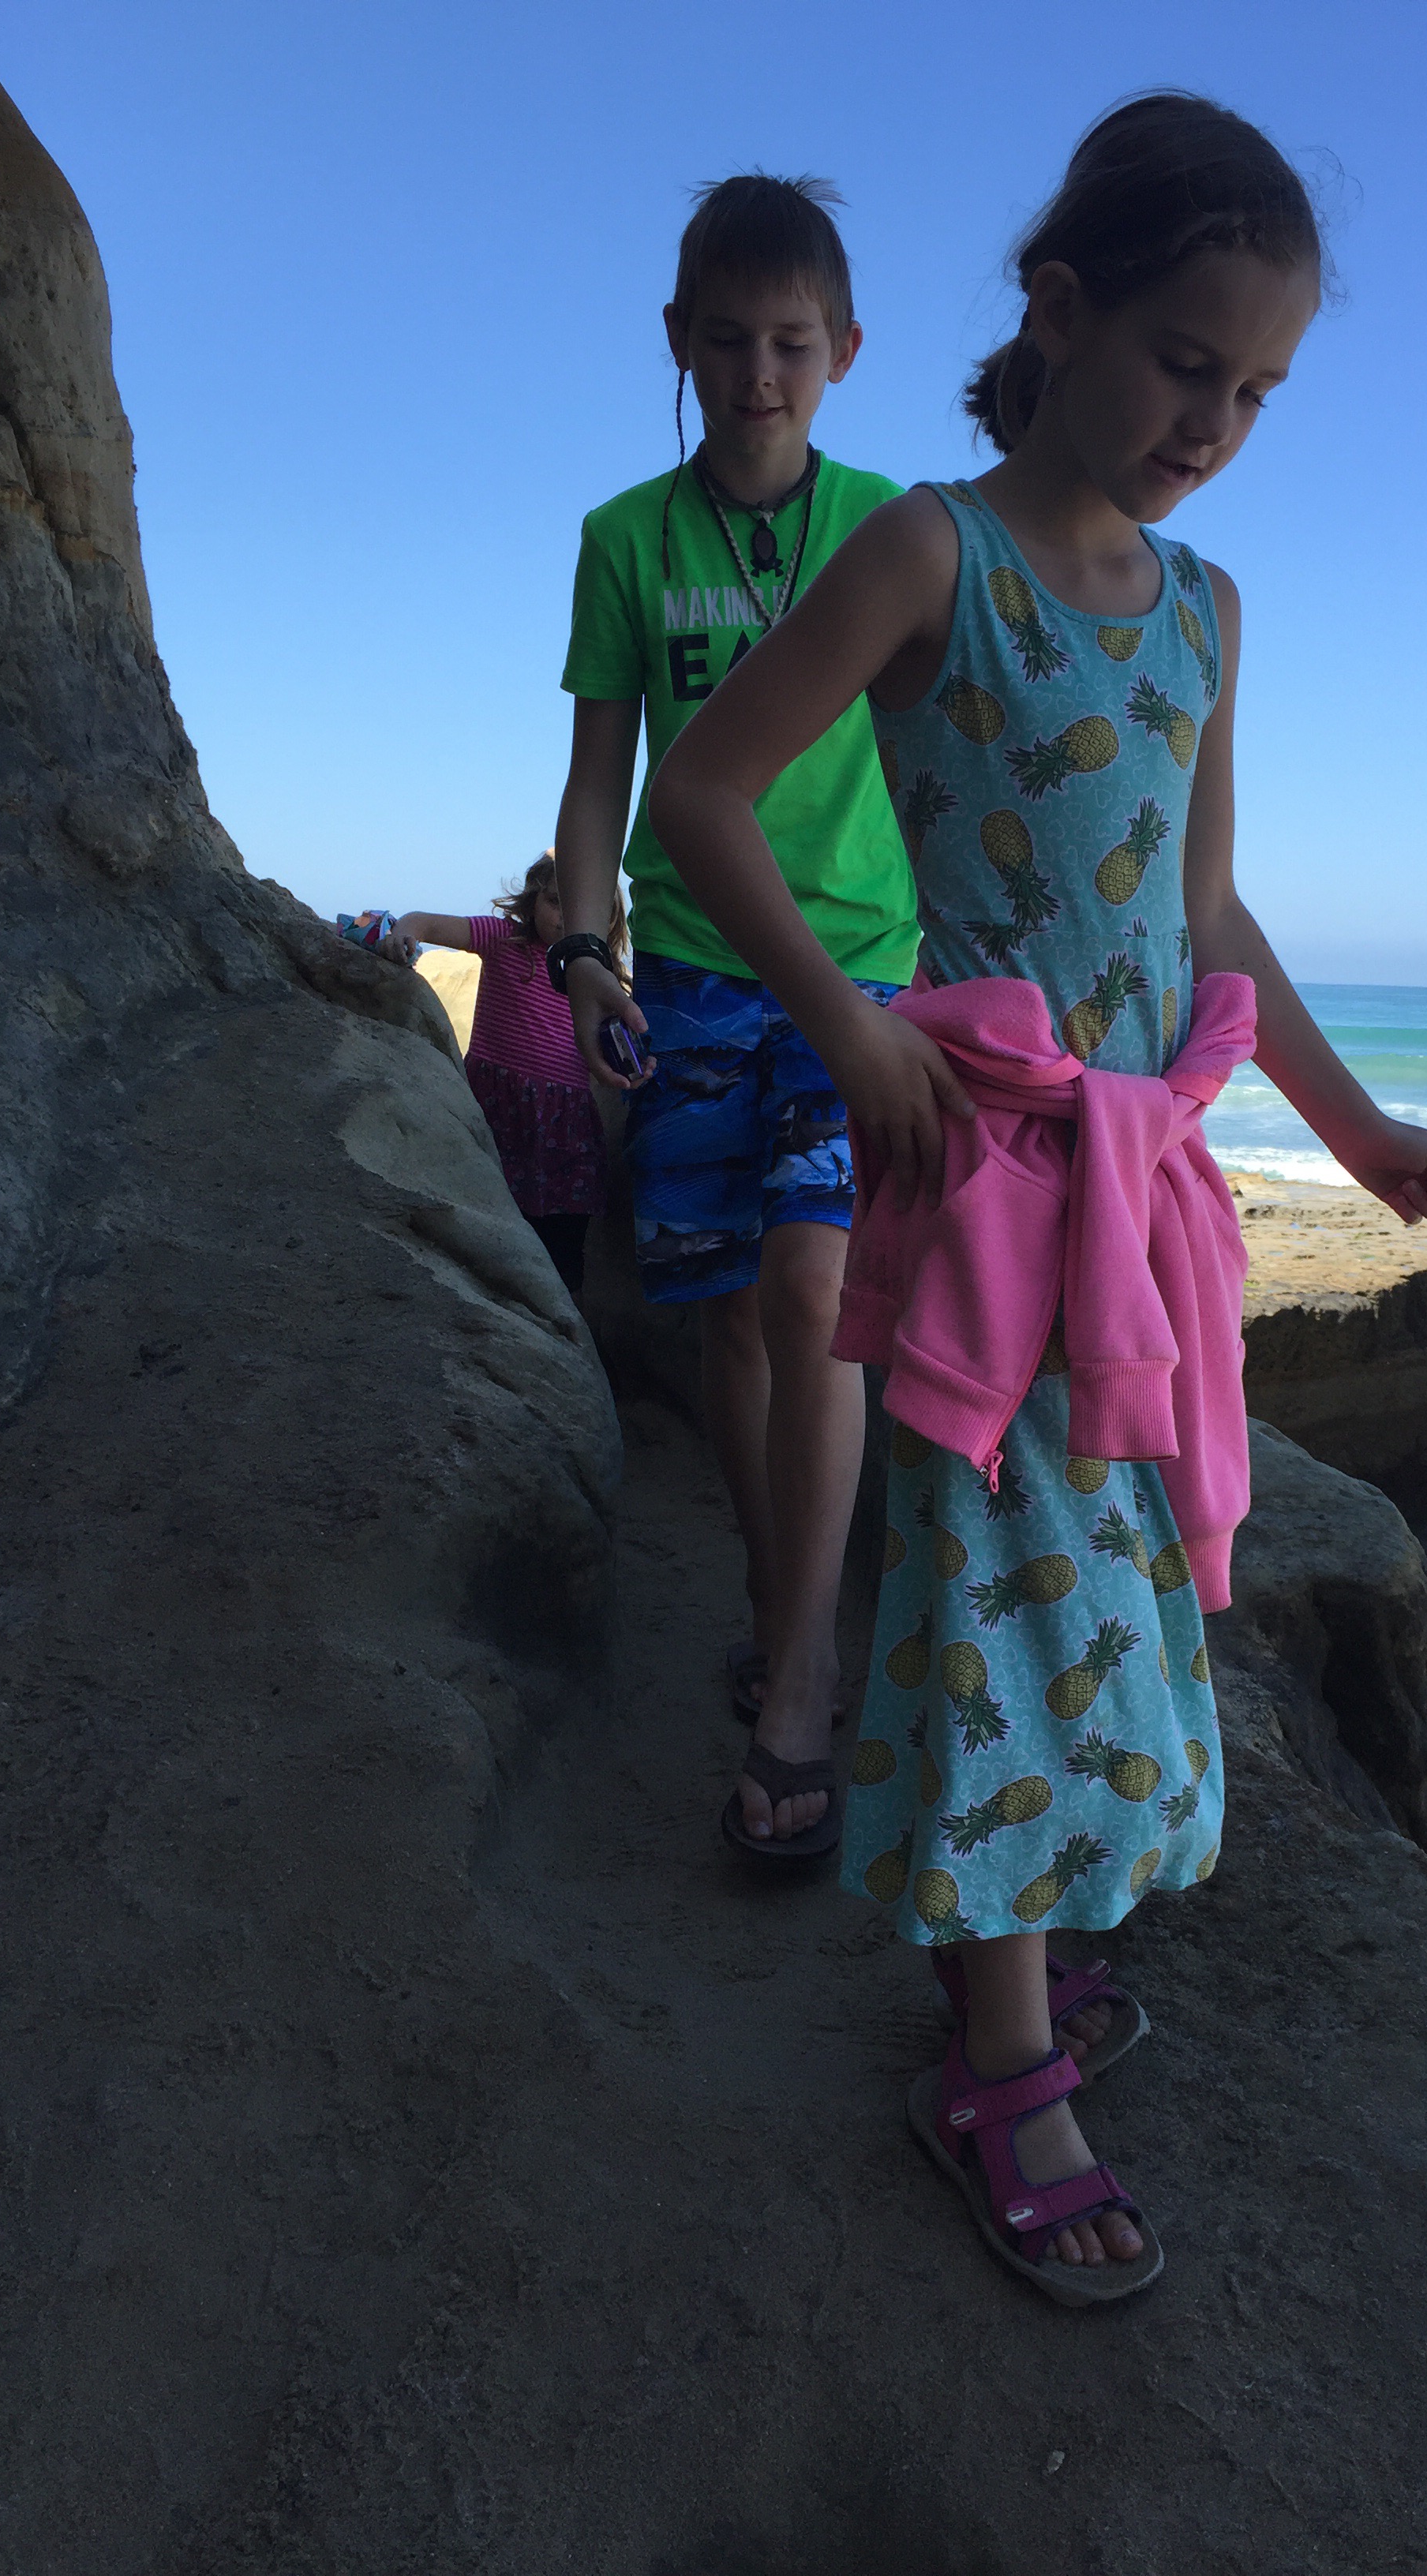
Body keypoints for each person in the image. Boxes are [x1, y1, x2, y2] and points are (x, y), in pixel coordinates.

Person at [648, 93, 1427, 2299]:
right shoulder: (934, 555)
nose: (1215, 422)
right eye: (1187, 361)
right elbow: (708, 796)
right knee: (998, 1587)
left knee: (1106, 1586)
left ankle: (1006, 1948)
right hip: (986, 1183)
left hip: (1139, 1200)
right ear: (1057, 307)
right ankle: (999, 2066)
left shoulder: (1206, 610)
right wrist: (853, 1029)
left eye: (1259, 390)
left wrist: (1349, 1125)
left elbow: (1206, 921)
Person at [550, 174, 919, 1855]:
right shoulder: (624, 539)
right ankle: (786, 1618)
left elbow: (936, 757)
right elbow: (597, 777)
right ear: (677, 344)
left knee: (815, 1290)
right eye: (726, 340)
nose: (758, 374)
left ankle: (801, 1684)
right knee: (727, 1327)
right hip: (691, 970)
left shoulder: (889, 527)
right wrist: (587, 953)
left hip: (857, 971)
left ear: (844, 350)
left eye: (791, 343)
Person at [387, 852, 627, 1297]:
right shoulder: (504, 940)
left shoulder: (600, 975)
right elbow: (428, 923)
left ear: (607, 918)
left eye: (584, 907)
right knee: (491, 1236)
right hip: (499, 1112)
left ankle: (561, 1327)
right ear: (533, 900)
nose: (567, 917)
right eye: (556, 901)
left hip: (565, 1129)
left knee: (562, 1249)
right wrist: (405, 932)